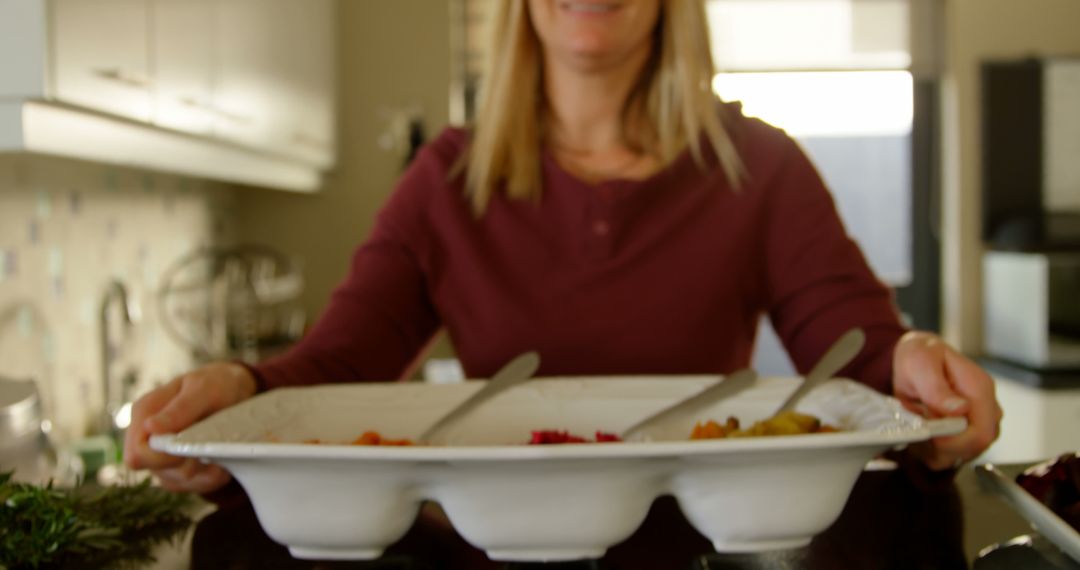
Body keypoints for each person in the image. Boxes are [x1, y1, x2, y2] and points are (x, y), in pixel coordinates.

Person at [125, 0, 1002, 496]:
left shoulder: (759, 166)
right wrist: (243, 390)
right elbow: (343, 360)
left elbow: (859, 348)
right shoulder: (446, 179)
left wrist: (916, 365)